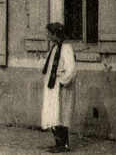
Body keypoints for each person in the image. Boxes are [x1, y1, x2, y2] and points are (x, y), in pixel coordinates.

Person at [41, 22, 76, 152]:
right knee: (52, 115)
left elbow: (71, 69)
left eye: (50, 33)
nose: (48, 35)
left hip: (61, 88)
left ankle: (63, 145)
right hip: (52, 87)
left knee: (61, 115)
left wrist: (62, 82)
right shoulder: (55, 48)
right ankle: (58, 143)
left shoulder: (66, 48)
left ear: (56, 34)